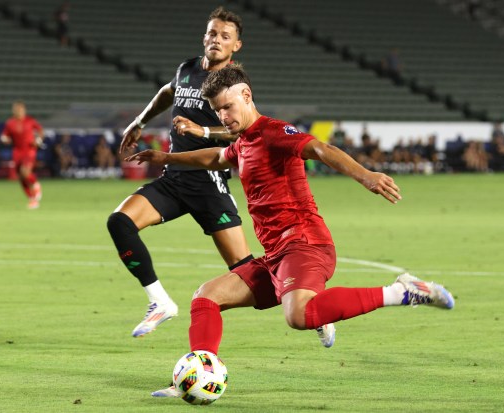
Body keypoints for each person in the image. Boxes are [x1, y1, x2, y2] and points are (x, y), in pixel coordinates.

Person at [124, 64, 455, 397]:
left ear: (246, 95)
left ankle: (403, 291)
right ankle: (197, 375)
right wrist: (166, 156)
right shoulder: (244, 142)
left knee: (299, 315)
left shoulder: (273, 132)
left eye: (227, 107)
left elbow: (320, 149)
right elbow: (218, 158)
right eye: (217, 110)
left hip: (305, 245)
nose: (222, 116)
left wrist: (365, 175)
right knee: (206, 297)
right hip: (276, 257)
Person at [109, 7, 335, 345]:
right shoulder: (186, 69)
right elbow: (168, 93)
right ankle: (160, 301)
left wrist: (201, 129)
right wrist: (139, 121)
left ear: (236, 46)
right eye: (212, 33)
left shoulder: (231, 85)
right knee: (120, 222)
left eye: (224, 36)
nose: (216, 40)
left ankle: (312, 302)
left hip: (208, 182)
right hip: (174, 178)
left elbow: (242, 135)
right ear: (204, 36)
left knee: (244, 268)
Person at [0, 101, 44, 209]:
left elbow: (40, 131)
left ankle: (35, 185)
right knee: (20, 177)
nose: (18, 111)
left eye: (20, 109)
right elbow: (4, 136)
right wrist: (4, 139)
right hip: (17, 151)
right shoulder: (10, 123)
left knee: (25, 172)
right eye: (16, 109)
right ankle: (31, 198)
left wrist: (38, 140)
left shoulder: (30, 121)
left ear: (24, 110)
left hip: (29, 150)